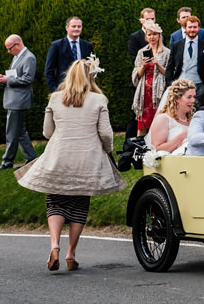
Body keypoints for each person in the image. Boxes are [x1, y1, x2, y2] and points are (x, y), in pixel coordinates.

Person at [15, 58, 125, 271]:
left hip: (58, 158)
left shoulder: (55, 99)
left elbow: (47, 132)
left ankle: (54, 245)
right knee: (79, 204)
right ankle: (70, 254)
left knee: (55, 201)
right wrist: (108, 150)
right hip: (87, 159)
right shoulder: (99, 100)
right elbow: (105, 133)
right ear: (91, 77)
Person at [0, 35, 37, 169]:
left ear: (17, 44)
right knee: (19, 132)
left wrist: (8, 80)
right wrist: (5, 77)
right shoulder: (17, 57)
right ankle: (31, 159)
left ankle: (7, 162)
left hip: (19, 101)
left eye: (9, 48)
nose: (8, 51)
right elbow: (16, 76)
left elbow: (28, 79)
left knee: (12, 132)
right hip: (14, 99)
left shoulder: (29, 58)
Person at [130, 21, 170, 135]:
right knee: (141, 123)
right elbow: (136, 75)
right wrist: (143, 65)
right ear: (146, 36)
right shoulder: (141, 52)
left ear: (159, 36)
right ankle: (141, 149)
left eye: (155, 34)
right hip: (144, 92)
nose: (152, 37)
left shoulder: (166, 52)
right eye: (149, 34)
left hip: (159, 91)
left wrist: (157, 64)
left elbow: (169, 74)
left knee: (159, 122)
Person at [165, 14, 204, 92]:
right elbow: (170, 67)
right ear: (185, 28)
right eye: (190, 27)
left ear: (199, 28)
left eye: (195, 27)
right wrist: (171, 84)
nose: (192, 30)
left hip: (199, 86)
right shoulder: (176, 45)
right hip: (180, 86)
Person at [147, 79, 196, 154]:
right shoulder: (163, 119)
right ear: (177, 98)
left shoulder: (191, 120)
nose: (193, 100)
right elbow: (156, 150)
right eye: (189, 97)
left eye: (194, 97)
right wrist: (184, 135)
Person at [43, 16, 90, 91]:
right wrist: (55, 90)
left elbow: (92, 69)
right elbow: (49, 71)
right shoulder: (56, 45)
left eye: (79, 26)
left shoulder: (88, 46)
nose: (76, 29)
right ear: (67, 28)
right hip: (63, 89)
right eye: (73, 26)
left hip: (83, 89)